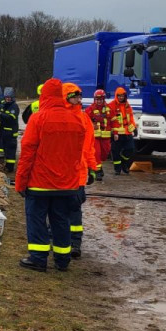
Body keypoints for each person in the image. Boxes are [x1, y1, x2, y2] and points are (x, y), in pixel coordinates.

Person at [15, 79, 88, 272]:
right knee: (61, 220)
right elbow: (78, 155)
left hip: (40, 184)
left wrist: (21, 183)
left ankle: (38, 258)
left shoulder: (38, 119)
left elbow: (27, 153)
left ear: (44, 96)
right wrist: (77, 183)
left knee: (37, 220)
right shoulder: (77, 120)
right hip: (66, 185)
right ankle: (62, 260)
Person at [62, 83, 98, 259]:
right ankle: (59, 239)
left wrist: (93, 168)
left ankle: (75, 243)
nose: (79, 99)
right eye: (75, 96)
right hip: (61, 173)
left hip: (79, 173)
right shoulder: (60, 117)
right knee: (59, 209)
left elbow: (89, 147)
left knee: (75, 209)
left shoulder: (84, 119)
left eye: (80, 96)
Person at [108, 87, 137, 175]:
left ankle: (124, 163)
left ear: (125, 96)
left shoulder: (127, 105)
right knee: (115, 152)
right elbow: (110, 121)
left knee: (130, 149)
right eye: (119, 96)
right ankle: (117, 169)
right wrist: (114, 133)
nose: (121, 97)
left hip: (127, 133)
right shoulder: (111, 106)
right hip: (116, 134)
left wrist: (134, 128)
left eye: (122, 96)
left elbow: (131, 118)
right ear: (116, 96)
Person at [85, 89, 111, 181]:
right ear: (94, 99)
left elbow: (114, 121)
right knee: (97, 153)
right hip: (95, 136)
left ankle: (99, 167)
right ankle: (98, 171)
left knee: (105, 154)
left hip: (106, 136)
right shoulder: (90, 109)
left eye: (100, 99)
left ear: (104, 99)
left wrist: (115, 132)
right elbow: (85, 121)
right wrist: (92, 124)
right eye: (97, 99)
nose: (99, 101)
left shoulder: (109, 109)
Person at [0, 87, 20, 174]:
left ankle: (10, 168)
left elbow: (11, 118)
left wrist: (0, 113)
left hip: (11, 133)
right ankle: (7, 166)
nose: (7, 99)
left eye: (9, 97)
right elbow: (0, 112)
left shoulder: (14, 106)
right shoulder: (4, 105)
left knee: (11, 152)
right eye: (6, 97)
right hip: (4, 132)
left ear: (12, 97)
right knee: (6, 151)